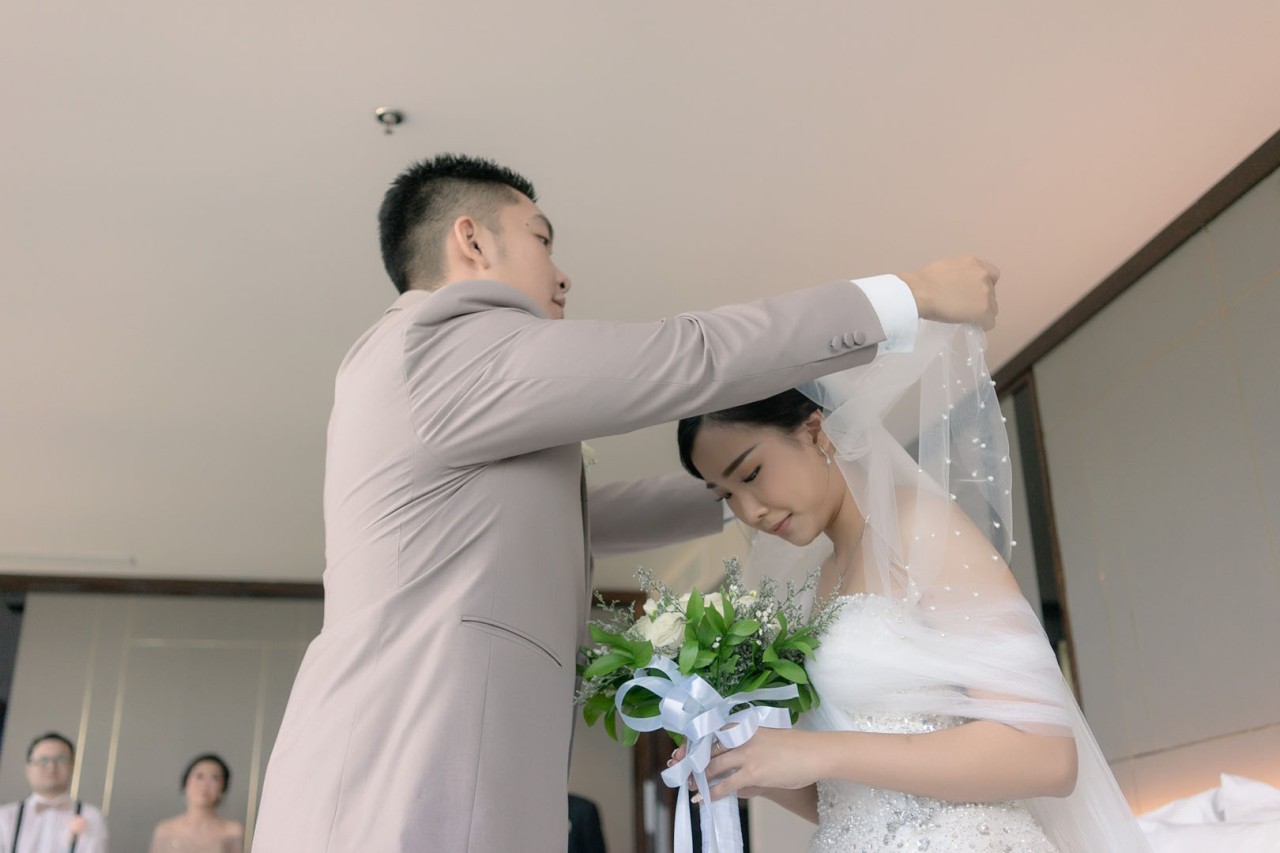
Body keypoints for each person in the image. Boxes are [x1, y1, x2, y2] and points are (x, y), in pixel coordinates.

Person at [251, 152, 1000, 852]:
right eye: (541, 238)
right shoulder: (437, 342)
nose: (563, 275)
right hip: (404, 773)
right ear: (472, 241)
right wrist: (909, 293)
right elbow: (685, 355)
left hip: (424, 770)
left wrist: (749, 487)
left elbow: (582, 516)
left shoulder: (421, 377)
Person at [674, 321, 1153, 851]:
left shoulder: (922, 530)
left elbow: (1048, 756)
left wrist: (818, 751)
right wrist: (754, 772)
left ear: (814, 431)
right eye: (725, 496)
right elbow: (858, 803)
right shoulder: (818, 586)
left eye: (750, 474)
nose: (749, 512)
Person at [0, 732, 108, 853]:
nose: (52, 767)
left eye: (61, 760)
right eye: (43, 760)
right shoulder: (4, 816)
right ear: (28, 768)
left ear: (73, 767)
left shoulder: (91, 816)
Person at [148, 754, 243, 853]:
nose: (205, 785)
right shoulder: (165, 830)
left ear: (223, 788)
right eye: (199, 776)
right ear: (185, 784)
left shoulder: (233, 832)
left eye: (214, 778)